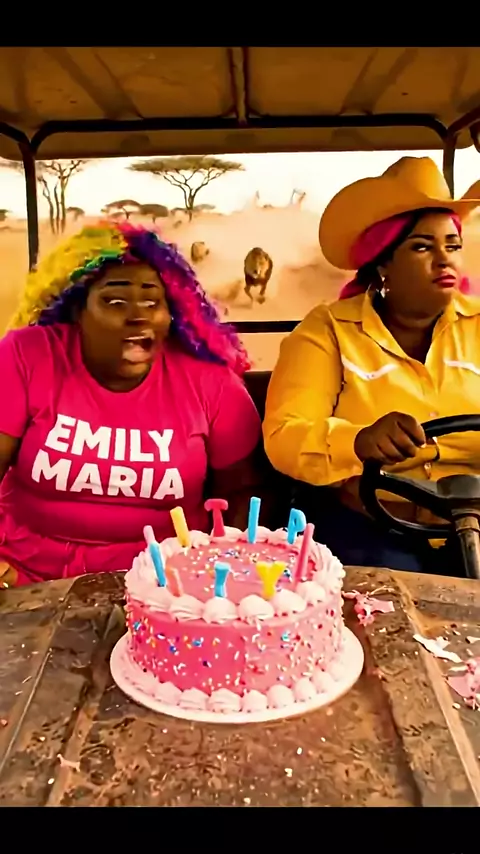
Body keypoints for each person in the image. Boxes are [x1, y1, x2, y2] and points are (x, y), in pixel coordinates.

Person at [0, 220, 262, 587]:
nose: (138, 316)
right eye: (115, 301)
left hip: (163, 581)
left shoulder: (211, 384)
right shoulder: (25, 356)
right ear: (77, 310)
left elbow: (243, 492)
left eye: (152, 302)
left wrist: (216, 571)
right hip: (24, 571)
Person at [263, 156, 480, 573]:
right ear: (383, 263)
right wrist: (359, 441)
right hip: (373, 526)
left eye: (452, 246)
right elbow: (285, 435)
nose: (444, 259)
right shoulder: (329, 330)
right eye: (422, 247)